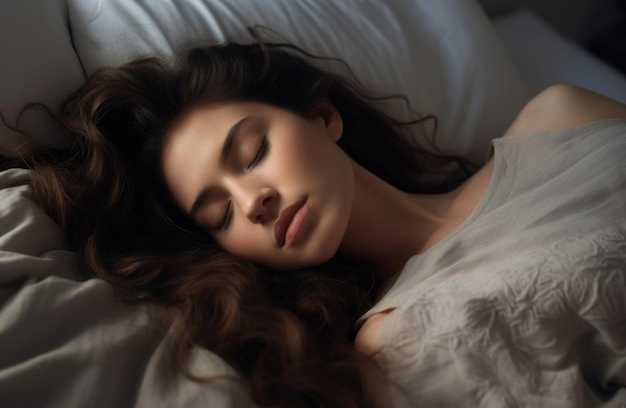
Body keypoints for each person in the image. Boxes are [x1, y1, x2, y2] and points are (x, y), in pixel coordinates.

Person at [2, 35, 626, 408]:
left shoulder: (562, 116)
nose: (253, 202)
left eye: (252, 154)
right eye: (220, 214)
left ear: (324, 118)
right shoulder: (395, 346)